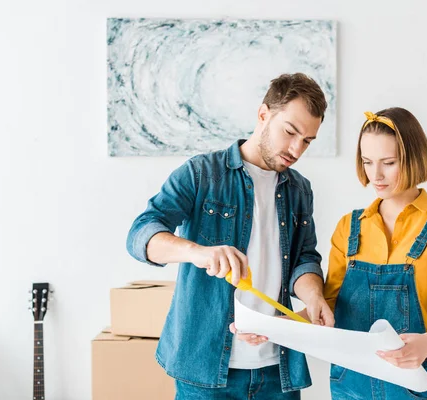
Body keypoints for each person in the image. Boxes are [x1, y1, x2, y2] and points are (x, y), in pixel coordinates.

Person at [126, 72, 335, 400]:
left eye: (307, 140)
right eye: (290, 132)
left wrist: (313, 297)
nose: (297, 148)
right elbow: (141, 234)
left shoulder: (299, 189)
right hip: (205, 369)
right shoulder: (201, 173)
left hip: (277, 370)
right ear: (263, 114)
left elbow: (304, 258)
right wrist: (199, 253)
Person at [324, 108, 427, 399]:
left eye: (389, 163)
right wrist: (275, 325)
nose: (376, 175)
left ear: (413, 159)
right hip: (348, 385)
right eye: (368, 162)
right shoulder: (349, 226)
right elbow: (327, 306)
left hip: (413, 382)